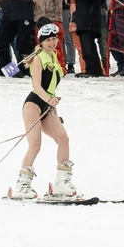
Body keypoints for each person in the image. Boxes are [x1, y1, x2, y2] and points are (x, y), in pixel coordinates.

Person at [11, 22, 76, 200]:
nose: (53, 42)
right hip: (33, 105)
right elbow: (37, 87)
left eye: (55, 39)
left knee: (63, 139)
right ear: (41, 41)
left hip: (48, 107)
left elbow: (52, 90)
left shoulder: (53, 56)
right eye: (48, 40)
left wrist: (55, 113)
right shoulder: (39, 57)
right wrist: (49, 101)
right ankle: (22, 186)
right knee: (35, 145)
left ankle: (61, 183)